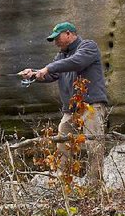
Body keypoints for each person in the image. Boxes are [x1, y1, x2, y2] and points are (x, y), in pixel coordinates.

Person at [19, 21, 109, 182]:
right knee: (62, 143)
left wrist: (48, 68)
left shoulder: (88, 46)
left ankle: (95, 184)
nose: (55, 42)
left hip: (91, 106)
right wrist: (33, 74)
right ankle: (61, 180)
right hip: (71, 110)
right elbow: (52, 74)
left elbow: (77, 62)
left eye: (57, 38)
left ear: (68, 33)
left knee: (93, 145)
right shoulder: (61, 55)